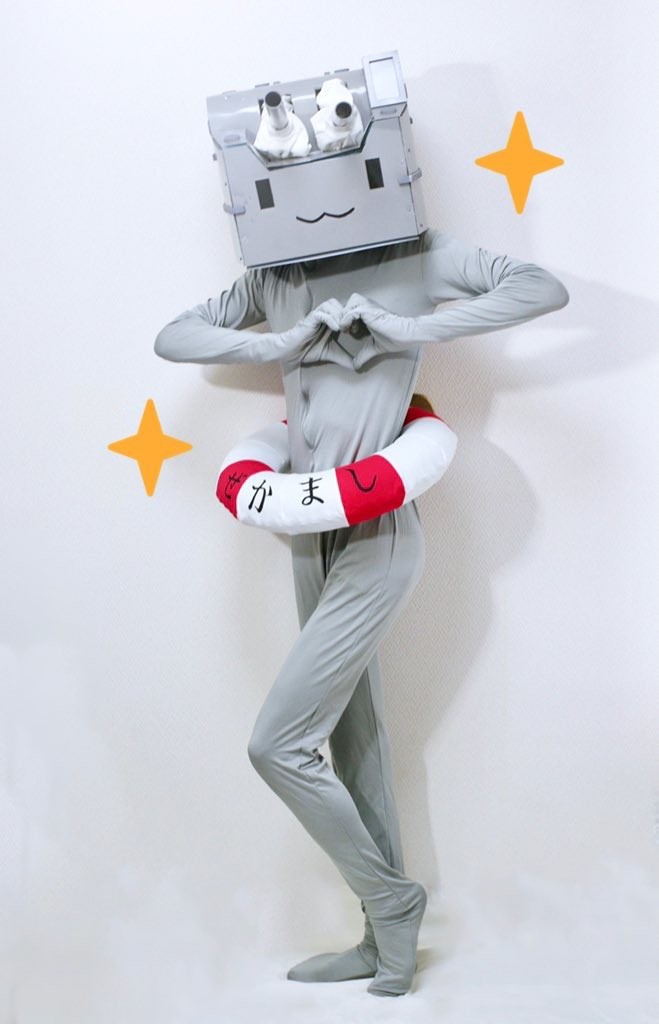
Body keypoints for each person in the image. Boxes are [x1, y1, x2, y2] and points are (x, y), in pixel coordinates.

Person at [154, 227, 569, 995]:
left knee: (277, 745)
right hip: (309, 536)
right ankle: (382, 943)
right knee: (354, 743)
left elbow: (540, 288)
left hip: (379, 536)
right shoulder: (276, 276)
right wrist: (279, 341)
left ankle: (393, 902)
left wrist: (408, 327)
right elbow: (174, 337)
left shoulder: (419, 257)